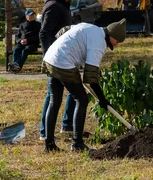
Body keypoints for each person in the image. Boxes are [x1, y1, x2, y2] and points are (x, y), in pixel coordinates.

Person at [42, 18, 127, 152]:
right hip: (63, 63)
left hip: (50, 57)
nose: (116, 45)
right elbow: (91, 77)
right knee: (81, 100)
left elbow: (62, 32)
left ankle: (49, 144)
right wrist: (102, 99)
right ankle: (77, 144)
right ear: (112, 36)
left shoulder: (89, 27)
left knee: (55, 101)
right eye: (117, 41)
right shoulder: (98, 43)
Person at [39, 0, 84, 140]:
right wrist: (49, 56)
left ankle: (67, 125)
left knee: (72, 91)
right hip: (55, 58)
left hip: (65, 56)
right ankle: (44, 133)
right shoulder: (54, 6)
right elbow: (44, 33)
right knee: (53, 95)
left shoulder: (62, 5)